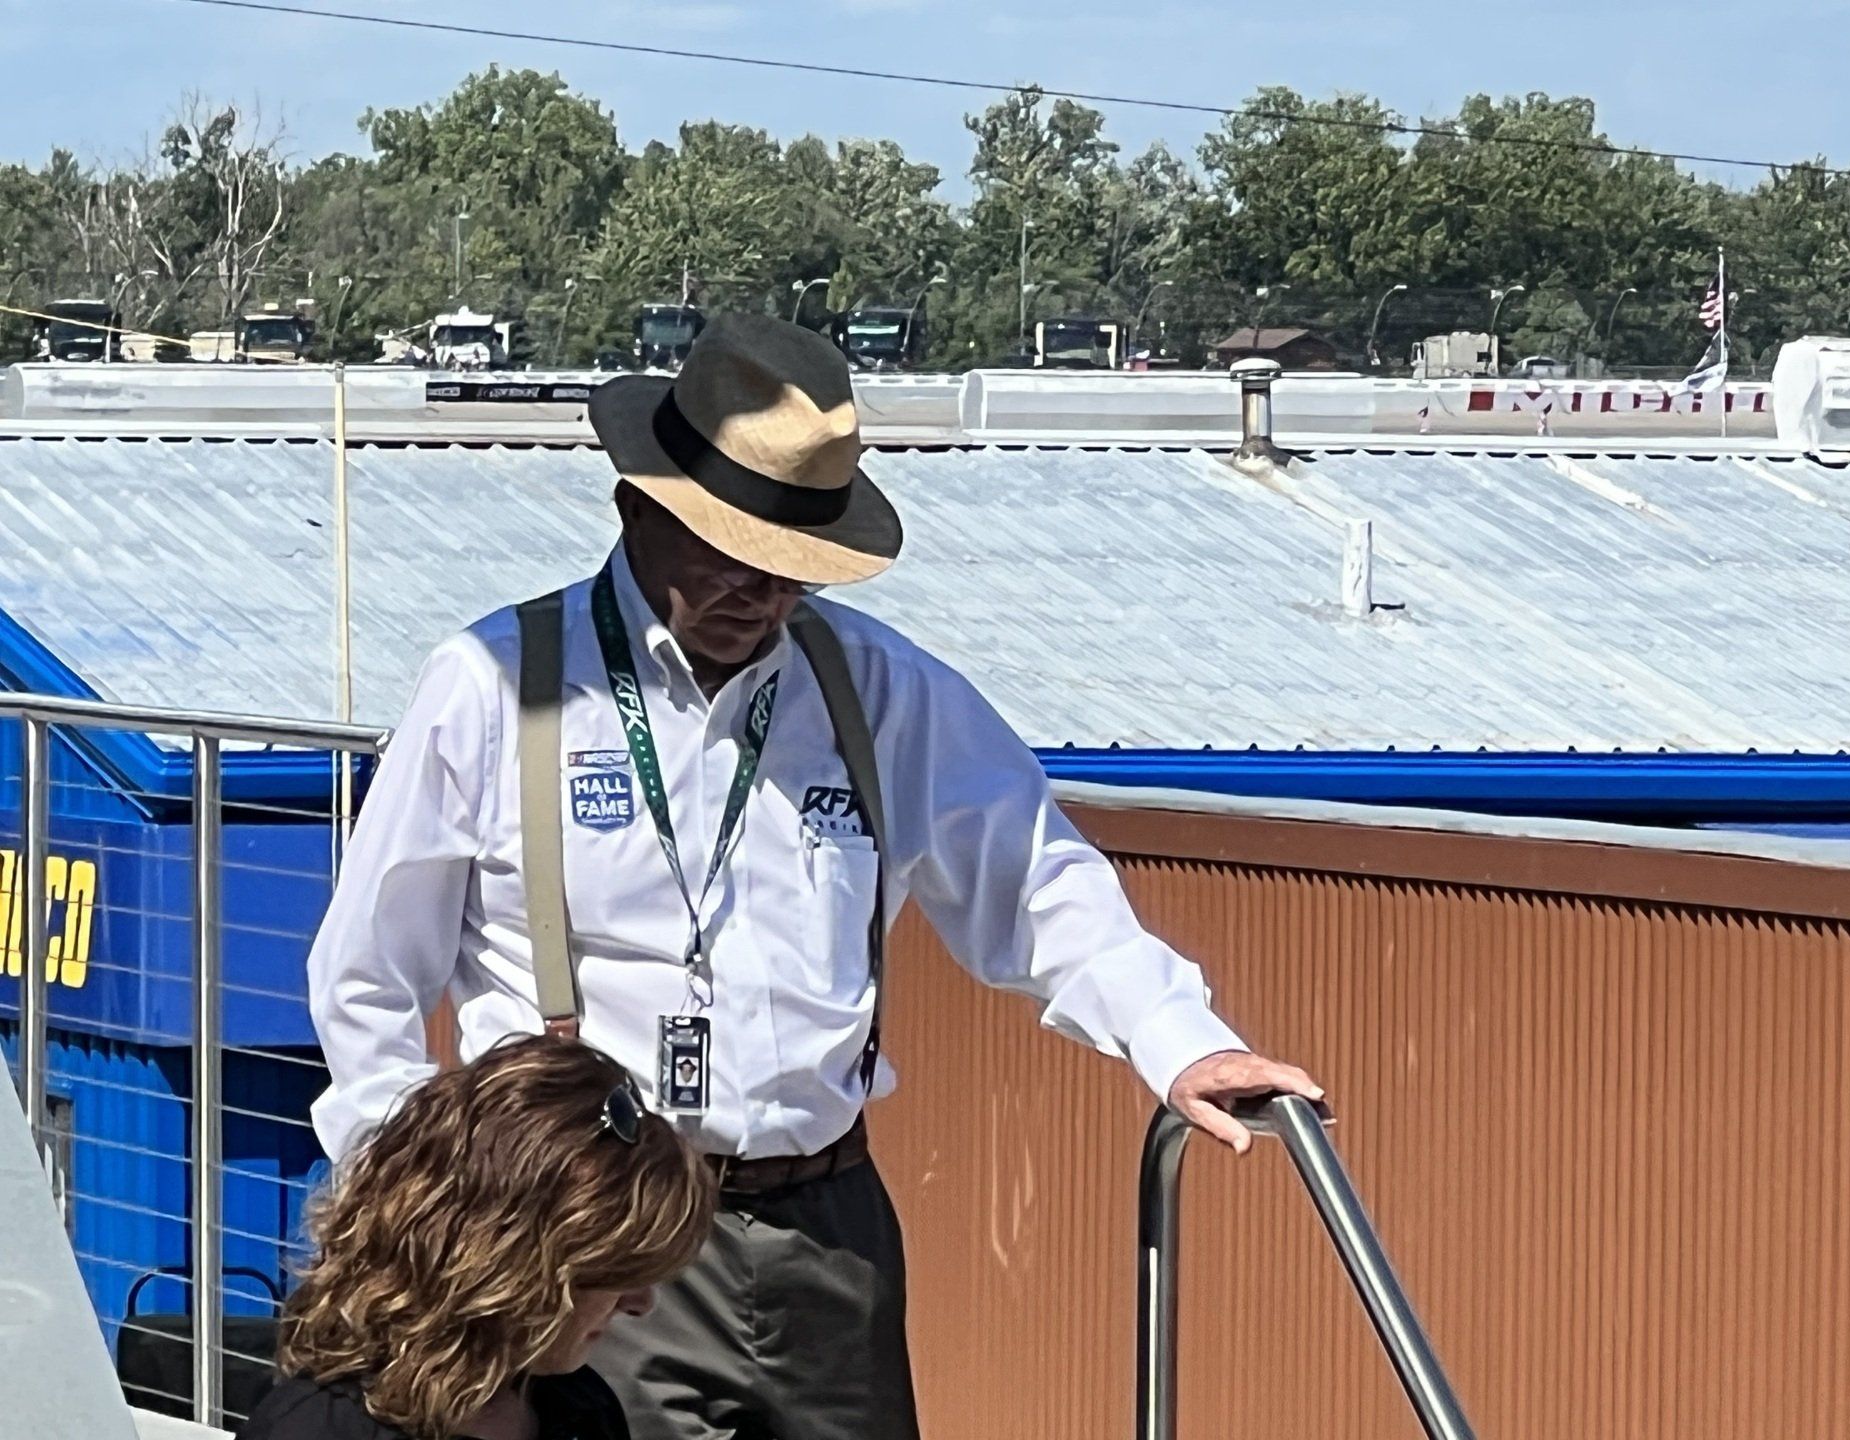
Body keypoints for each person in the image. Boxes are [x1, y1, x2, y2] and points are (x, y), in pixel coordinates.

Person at [306, 312, 1325, 1440]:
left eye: (792, 567)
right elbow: (367, 980)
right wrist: (423, 1214)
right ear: (638, 507)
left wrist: (1181, 1042)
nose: (763, 592)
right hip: (589, 1237)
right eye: (729, 552)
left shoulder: (884, 693)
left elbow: (1040, 887)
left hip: (827, 1229)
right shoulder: (499, 683)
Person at [240, 1035, 714, 1440]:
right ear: (507, 1266)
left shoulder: (577, 1406)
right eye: (619, 1271)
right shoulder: (319, 1428)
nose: (641, 1303)